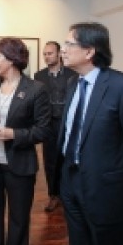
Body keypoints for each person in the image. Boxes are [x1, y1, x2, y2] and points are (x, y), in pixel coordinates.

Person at [55, 22, 123, 245]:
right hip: (70, 180)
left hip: (105, 187)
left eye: (69, 44)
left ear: (89, 51)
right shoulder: (73, 83)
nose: (63, 49)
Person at [0, 37, 51, 245]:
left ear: (12, 59)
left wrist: (12, 134)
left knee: (19, 220)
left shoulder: (36, 90)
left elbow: (43, 130)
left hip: (19, 164)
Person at [34, 41, 76, 212]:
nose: (46, 56)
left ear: (59, 54)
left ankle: (69, 195)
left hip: (68, 124)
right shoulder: (39, 76)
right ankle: (53, 195)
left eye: (50, 53)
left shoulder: (72, 74)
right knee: (50, 161)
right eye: (45, 54)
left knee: (69, 159)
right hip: (48, 124)